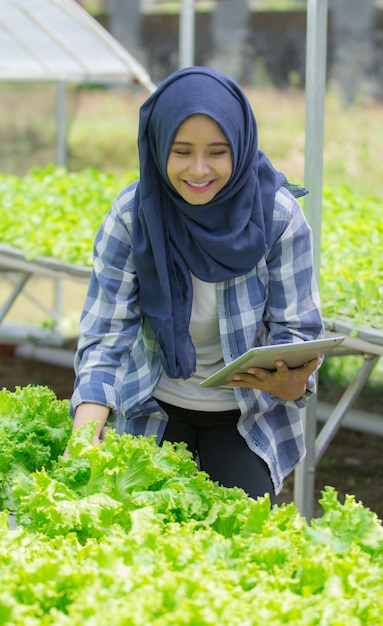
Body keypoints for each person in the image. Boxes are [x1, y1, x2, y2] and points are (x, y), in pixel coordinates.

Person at [70, 66, 324, 501]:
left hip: (245, 414)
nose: (199, 169)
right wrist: (83, 444)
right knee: (145, 538)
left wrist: (292, 384)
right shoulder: (133, 216)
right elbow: (105, 340)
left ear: (240, 148)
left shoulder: (278, 217)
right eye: (182, 151)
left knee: (239, 539)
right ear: (158, 146)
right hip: (153, 405)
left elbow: (297, 333)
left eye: (217, 152)